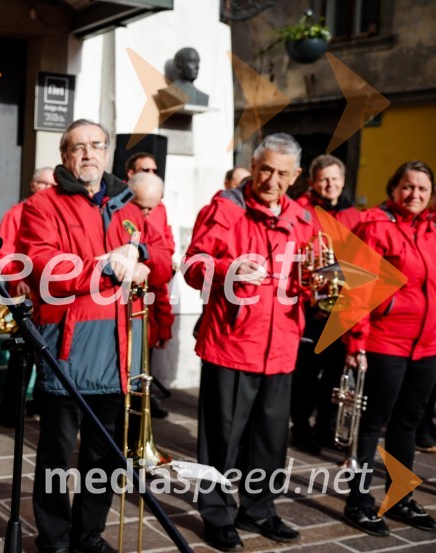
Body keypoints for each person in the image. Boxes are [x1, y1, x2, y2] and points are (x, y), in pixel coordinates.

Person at [20, 119, 172, 553]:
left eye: (96, 145)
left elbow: (163, 257)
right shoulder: (43, 205)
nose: (88, 154)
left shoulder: (127, 204)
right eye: (78, 147)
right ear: (65, 155)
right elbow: (42, 263)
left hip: (120, 349)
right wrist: (104, 265)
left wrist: (140, 253)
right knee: (55, 455)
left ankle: (88, 535)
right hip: (68, 348)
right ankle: (53, 538)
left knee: (104, 455)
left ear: (107, 152)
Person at [184, 133, 314, 551]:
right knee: (222, 439)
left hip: (281, 347)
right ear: (253, 167)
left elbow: (311, 275)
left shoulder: (304, 218)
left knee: (270, 440)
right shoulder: (225, 208)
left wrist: (321, 284)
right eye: (264, 169)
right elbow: (192, 266)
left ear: (294, 176)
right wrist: (228, 272)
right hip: (231, 343)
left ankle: (259, 508)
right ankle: (217, 513)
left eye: (281, 173)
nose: (271, 179)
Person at [341, 161, 436, 537]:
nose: (414, 195)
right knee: (372, 424)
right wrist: (356, 339)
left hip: (427, 345)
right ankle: (359, 501)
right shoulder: (374, 225)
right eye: (407, 187)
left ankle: (399, 497)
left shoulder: (432, 228)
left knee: (408, 424)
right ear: (393, 188)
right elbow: (357, 287)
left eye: (422, 189)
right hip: (385, 341)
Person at [290, 154, 361, 454]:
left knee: (335, 375)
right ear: (312, 182)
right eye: (323, 179)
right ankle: (302, 427)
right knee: (306, 375)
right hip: (313, 310)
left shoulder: (357, 216)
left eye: (335, 179)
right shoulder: (301, 212)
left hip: (344, 309)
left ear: (343, 181)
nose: (330, 184)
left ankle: (326, 427)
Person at [0, 167, 56, 427]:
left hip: (51, 299)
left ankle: (43, 406)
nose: (46, 188)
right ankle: (11, 412)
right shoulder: (16, 213)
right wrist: (18, 280)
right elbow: (2, 254)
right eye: (42, 183)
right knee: (22, 357)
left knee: (49, 357)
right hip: (25, 297)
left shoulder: (55, 213)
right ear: (32, 184)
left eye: (51, 184)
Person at [128, 171, 175, 418]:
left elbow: (164, 268)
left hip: (142, 317)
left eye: (151, 209)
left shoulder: (150, 224)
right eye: (140, 207)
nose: (145, 214)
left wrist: (142, 252)